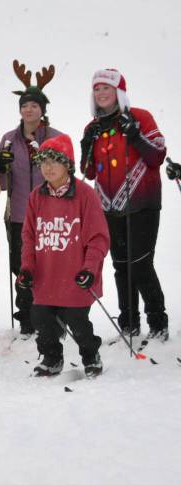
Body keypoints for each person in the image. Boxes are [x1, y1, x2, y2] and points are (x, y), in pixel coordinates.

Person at [80, 68, 168, 341]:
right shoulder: (92, 127)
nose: (102, 93)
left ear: (118, 92)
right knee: (120, 266)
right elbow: (89, 172)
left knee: (140, 264)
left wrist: (136, 138)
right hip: (108, 206)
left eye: (107, 88)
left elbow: (157, 156)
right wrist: (85, 146)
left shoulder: (139, 117)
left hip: (142, 203)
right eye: (97, 89)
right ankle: (129, 323)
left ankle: (157, 322)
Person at [18, 135, 110, 377]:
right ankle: (52, 358)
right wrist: (27, 268)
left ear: (67, 164)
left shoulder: (85, 195)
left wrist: (90, 268)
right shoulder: (36, 196)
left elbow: (98, 238)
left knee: (77, 321)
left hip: (75, 275)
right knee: (40, 317)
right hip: (46, 275)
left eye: (54, 162)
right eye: (43, 162)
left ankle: (91, 356)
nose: (47, 167)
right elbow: (29, 237)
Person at [0, 61, 63, 337]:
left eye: (34, 105)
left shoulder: (55, 139)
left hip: (50, 214)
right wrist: (1, 165)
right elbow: (0, 182)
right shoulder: (9, 140)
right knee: (21, 267)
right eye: (25, 105)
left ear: (43, 109)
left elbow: (66, 173)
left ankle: (51, 315)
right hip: (19, 214)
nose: (29, 110)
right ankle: (26, 317)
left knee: (49, 266)